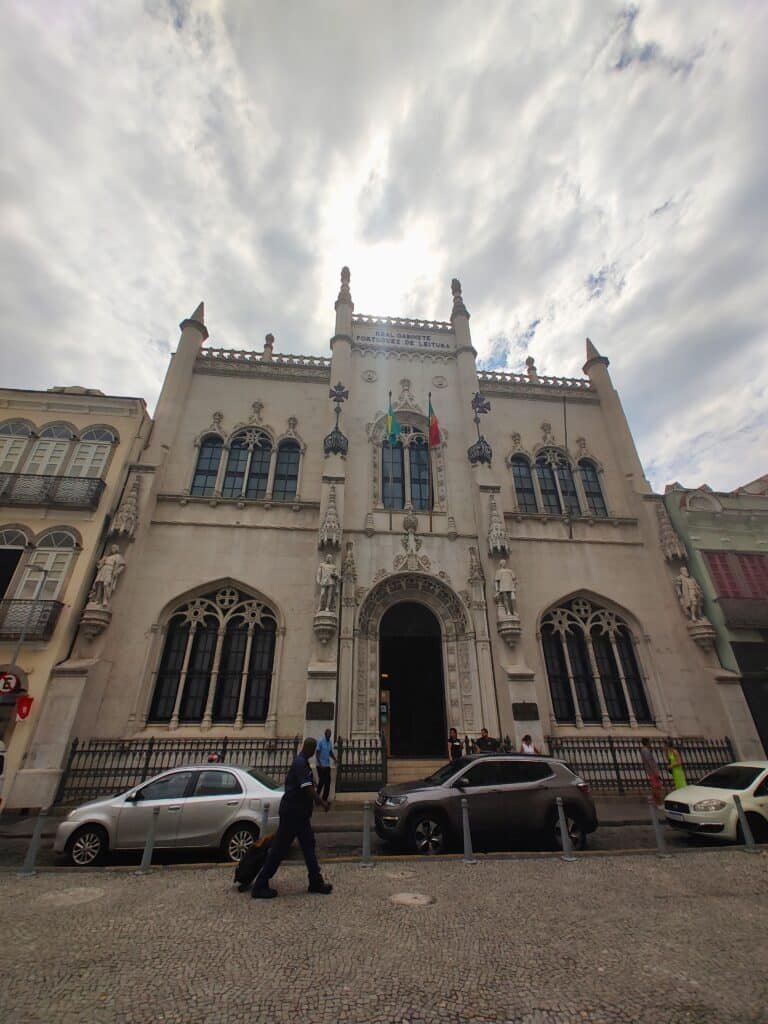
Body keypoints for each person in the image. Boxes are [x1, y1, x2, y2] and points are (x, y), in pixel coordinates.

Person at [251, 738, 332, 899]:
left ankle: (315, 881)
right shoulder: (300, 763)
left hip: (300, 815)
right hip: (292, 814)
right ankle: (260, 884)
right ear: (309, 748)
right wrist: (322, 802)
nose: (314, 752)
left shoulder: (303, 763)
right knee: (279, 850)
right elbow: (307, 788)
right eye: (313, 749)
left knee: (309, 846)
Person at [640, 737, 664, 808]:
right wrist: (655, 772)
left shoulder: (645, 750)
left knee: (655, 787)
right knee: (657, 788)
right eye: (650, 742)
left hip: (651, 771)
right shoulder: (645, 750)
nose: (651, 743)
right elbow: (650, 761)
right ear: (647, 742)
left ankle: (656, 803)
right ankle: (659, 803)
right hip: (653, 772)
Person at [315, 728, 336, 802]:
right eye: (328, 734)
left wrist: (335, 759)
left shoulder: (329, 742)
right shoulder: (320, 741)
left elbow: (330, 752)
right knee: (321, 782)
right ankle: (317, 799)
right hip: (320, 766)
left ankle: (324, 799)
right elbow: (317, 753)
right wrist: (320, 764)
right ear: (325, 734)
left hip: (327, 765)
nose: (329, 736)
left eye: (330, 735)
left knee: (328, 782)